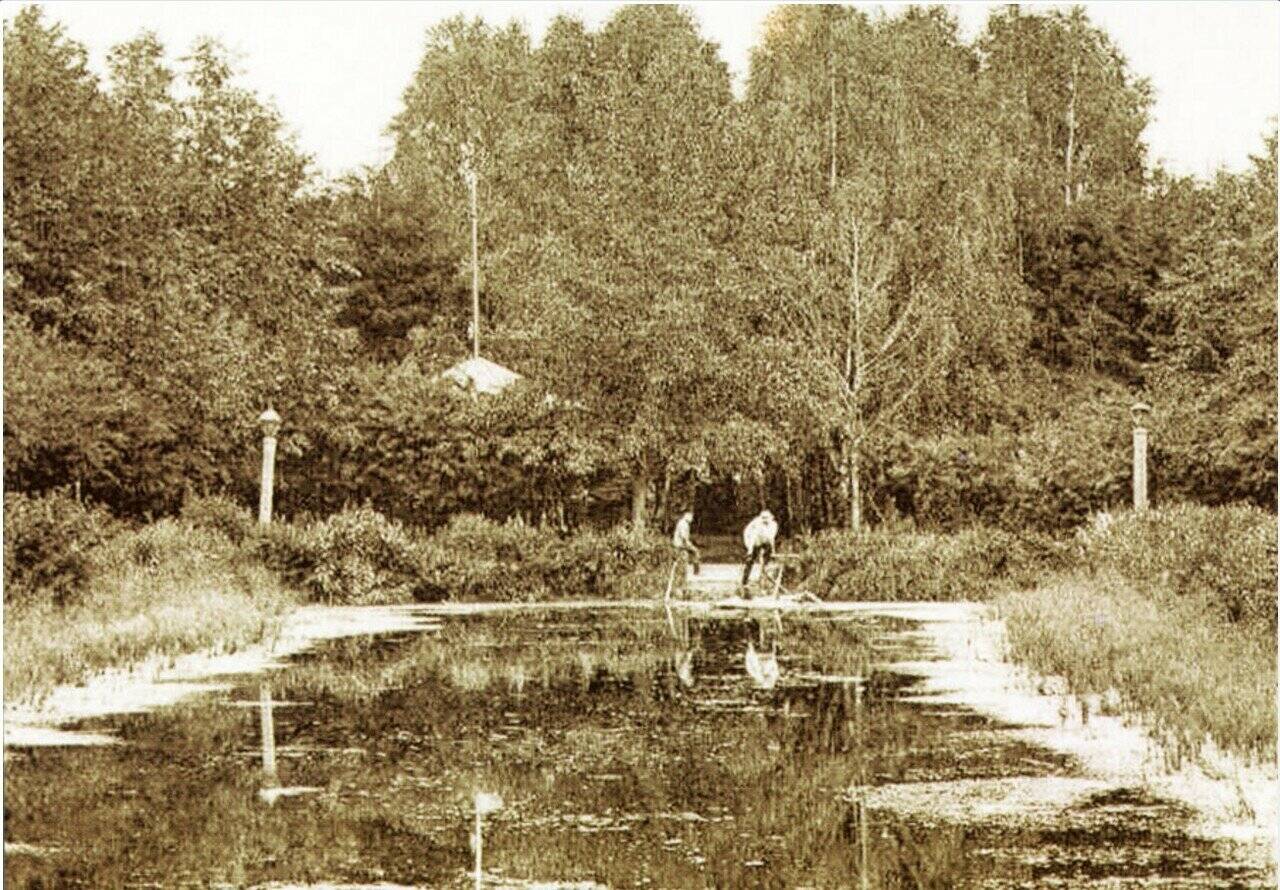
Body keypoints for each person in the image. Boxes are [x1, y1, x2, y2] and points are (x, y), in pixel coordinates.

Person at [741, 509, 778, 589]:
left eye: (766, 518)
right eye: (763, 518)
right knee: (750, 560)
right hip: (753, 540)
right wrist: (750, 550)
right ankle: (744, 581)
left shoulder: (774, 525)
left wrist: (773, 550)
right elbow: (752, 537)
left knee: (768, 554)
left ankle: (764, 571)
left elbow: (771, 538)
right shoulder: (756, 524)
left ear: (771, 518)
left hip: (764, 540)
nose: (765, 520)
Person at [672, 510, 700, 576]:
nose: (692, 519)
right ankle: (696, 571)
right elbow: (683, 536)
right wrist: (689, 544)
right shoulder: (683, 524)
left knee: (687, 554)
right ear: (686, 515)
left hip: (680, 543)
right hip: (680, 544)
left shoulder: (683, 523)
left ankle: (691, 570)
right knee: (695, 552)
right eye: (691, 517)